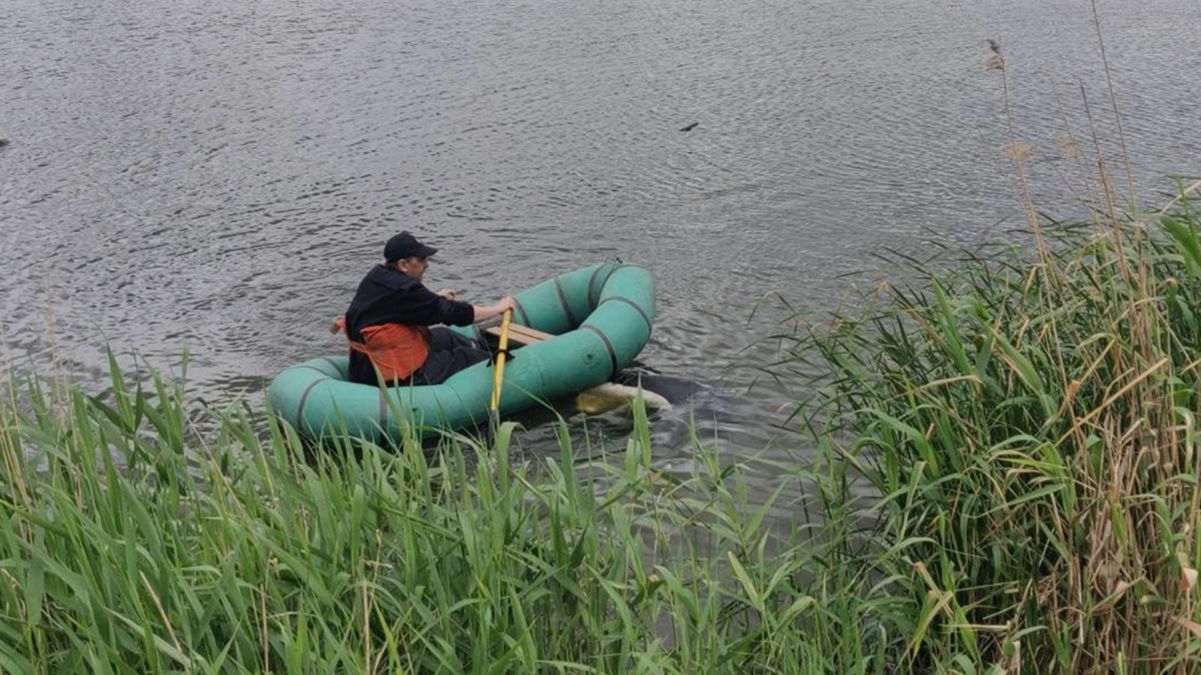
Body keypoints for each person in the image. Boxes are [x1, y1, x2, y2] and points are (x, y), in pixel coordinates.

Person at [339, 231, 515, 386]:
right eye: (422, 259)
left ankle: (488, 349)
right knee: (466, 357)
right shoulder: (406, 290)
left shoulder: (377, 277)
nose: (427, 264)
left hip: (363, 367)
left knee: (445, 336)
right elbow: (456, 314)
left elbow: (405, 308)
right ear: (403, 264)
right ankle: (501, 365)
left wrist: (437, 299)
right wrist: (498, 308)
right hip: (394, 376)